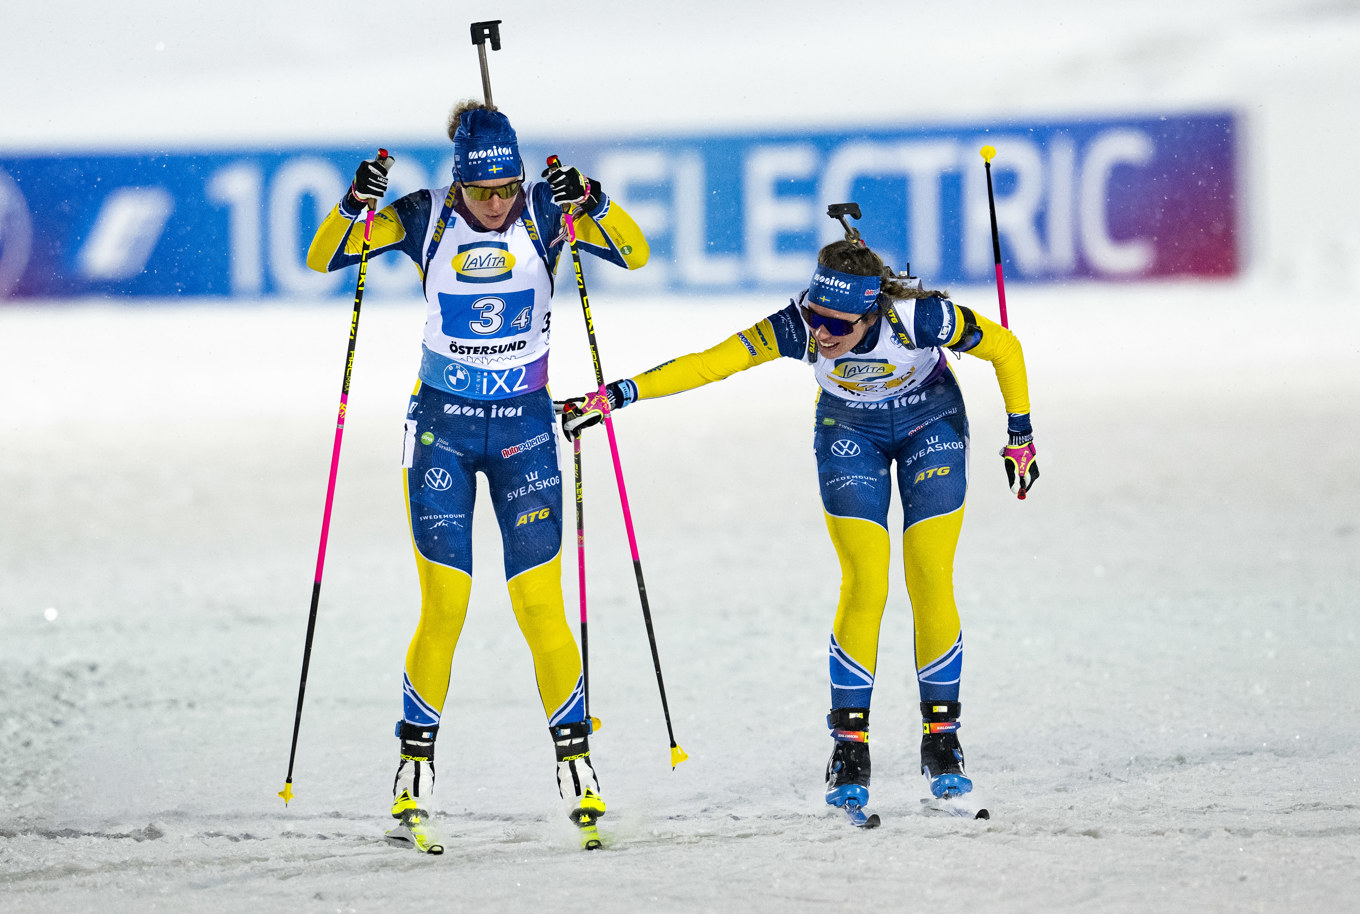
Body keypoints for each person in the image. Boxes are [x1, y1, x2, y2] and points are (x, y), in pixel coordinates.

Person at [561, 233, 1036, 817]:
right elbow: (713, 363)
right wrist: (621, 394)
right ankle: (850, 750)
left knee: (930, 577)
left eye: (838, 325)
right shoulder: (795, 326)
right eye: (815, 316)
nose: (822, 334)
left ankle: (942, 742)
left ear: (871, 312)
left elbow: (1006, 348)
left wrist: (1021, 436)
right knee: (866, 583)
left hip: (929, 424)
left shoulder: (923, 318)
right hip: (848, 432)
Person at [306, 101, 649, 851]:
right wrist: (354, 204)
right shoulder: (426, 215)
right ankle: (413, 771)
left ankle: (577, 764)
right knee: (446, 604)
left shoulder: (545, 217)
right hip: (442, 433)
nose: (496, 206)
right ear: (458, 183)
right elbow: (324, 257)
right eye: (483, 192)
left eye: (507, 190)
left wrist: (594, 201)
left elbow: (635, 253)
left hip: (525, 432)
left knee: (538, 605)